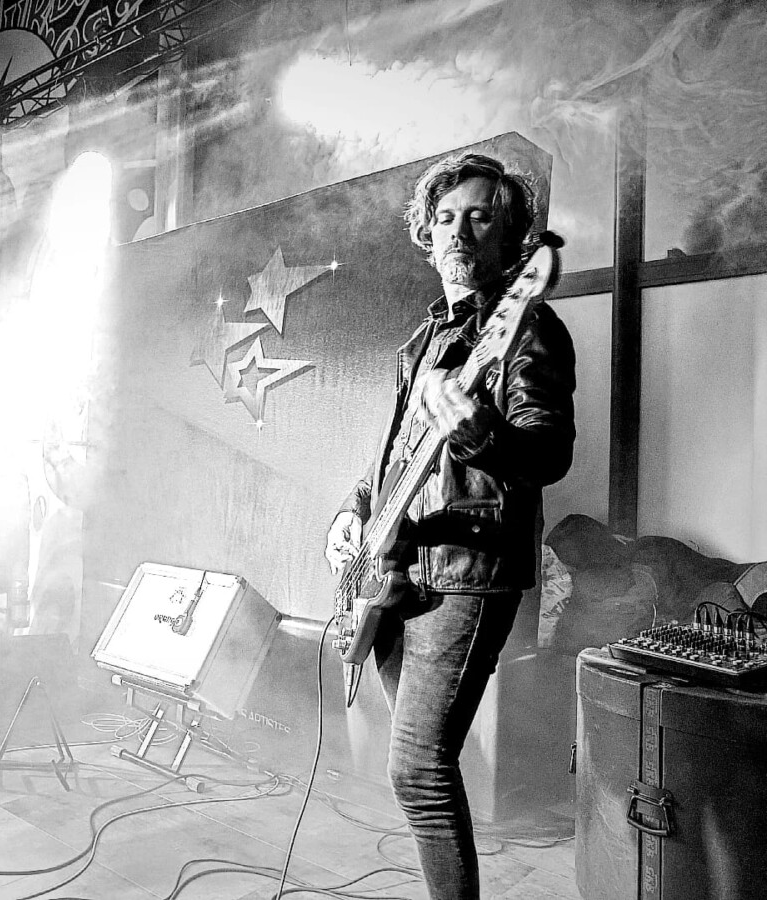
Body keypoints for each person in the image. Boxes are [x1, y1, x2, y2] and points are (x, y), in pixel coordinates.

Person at [324, 153, 575, 900]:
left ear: (513, 237)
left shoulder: (528, 328)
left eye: (480, 216)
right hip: (395, 569)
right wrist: (352, 509)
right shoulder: (423, 341)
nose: (459, 231)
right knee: (418, 766)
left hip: (466, 575)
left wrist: (478, 433)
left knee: (418, 769)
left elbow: (548, 453)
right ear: (426, 236)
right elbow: (397, 457)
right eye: (444, 218)